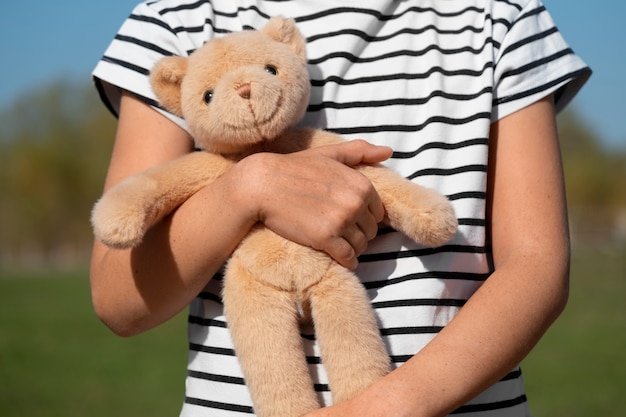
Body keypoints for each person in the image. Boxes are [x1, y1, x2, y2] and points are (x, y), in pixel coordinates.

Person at [90, 1, 590, 416]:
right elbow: (118, 299)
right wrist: (249, 188)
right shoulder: (174, 18)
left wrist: (386, 408)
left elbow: (538, 266)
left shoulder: (498, 16)